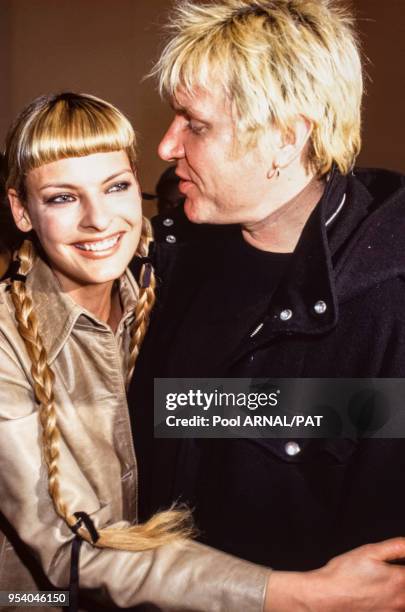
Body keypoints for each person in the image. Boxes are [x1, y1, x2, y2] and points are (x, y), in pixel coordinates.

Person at [128, 0, 405, 609]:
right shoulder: (173, 252)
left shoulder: (389, 305)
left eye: (194, 124)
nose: (167, 145)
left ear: (286, 137)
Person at [0, 91, 275, 612]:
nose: (99, 220)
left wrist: (355, 415)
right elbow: (73, 553)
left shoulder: (162, 294)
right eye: (63, 197)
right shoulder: (6, 342)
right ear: (22, 210)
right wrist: (293, 594)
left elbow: (200, 410)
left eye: (116, 187)